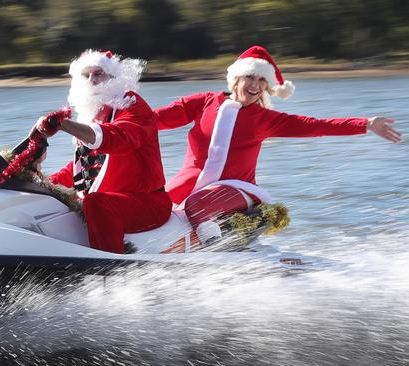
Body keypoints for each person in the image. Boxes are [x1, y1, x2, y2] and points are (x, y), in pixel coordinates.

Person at [154, 45, 402, 243]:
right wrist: (118, 112)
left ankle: (215, 250)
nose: (255, 85)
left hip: (237, 188)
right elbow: (152, 120)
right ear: (236, 78)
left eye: (262, 81)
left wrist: (365, 123)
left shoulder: (265, 119)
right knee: (154, 204)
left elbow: (316, 125)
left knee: (197, 206)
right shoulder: (204, 102)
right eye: (250, 77)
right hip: (192, 182)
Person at [31, 49, 172, 253]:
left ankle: (110, 272)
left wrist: (64, 125)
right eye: (85, 75)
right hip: (106, 203)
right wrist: (42, 184)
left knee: (95, 202)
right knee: (49, 202)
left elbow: (119, 138)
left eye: (98, 74)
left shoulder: (132, 104)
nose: (91, 80)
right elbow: (84, 166)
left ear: (114, 78)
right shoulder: (92, 114)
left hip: (147, 203)